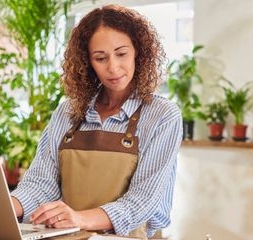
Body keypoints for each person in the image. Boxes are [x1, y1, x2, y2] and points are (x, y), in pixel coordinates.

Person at [10, 4, 182, 238]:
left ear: (138, 52)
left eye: (121, 54)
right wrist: (5, 205)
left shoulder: (162, 115)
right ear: (87, 62)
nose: (113, 68)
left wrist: (79, 218)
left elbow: (143, 201)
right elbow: (41, 184)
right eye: (100, 58)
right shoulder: (67, 112)